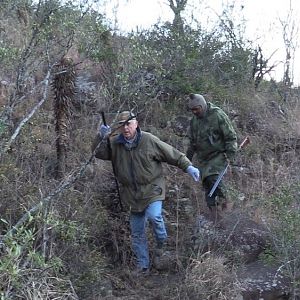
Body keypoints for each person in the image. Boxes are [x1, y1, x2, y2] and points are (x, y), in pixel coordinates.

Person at [91, 111, 200, 275]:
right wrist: (101, 136)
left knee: (154, 216)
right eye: (122, 125)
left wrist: (188, 166)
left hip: (152, 189)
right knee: (137, 233)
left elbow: (172, 154)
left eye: (129, 124)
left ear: (136, 124)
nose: (126, 128)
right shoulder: (114, 144)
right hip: (131, 195)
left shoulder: (149, 140)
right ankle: (143, 266)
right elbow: (98, 153)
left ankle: (162, 244)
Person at [186, 94, 238, 217]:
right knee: (208, 186)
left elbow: (230, 137)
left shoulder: (217, 115)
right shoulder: (194, 121)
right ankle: (214, 215)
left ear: (202, 106)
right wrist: (186, 160)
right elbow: (192, 142)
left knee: (213, 178)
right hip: (203, 159)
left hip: (219, 155)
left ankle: (228, 203)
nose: (195, 112)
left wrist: (230, 155)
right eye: (192, 110)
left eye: (196, 109)